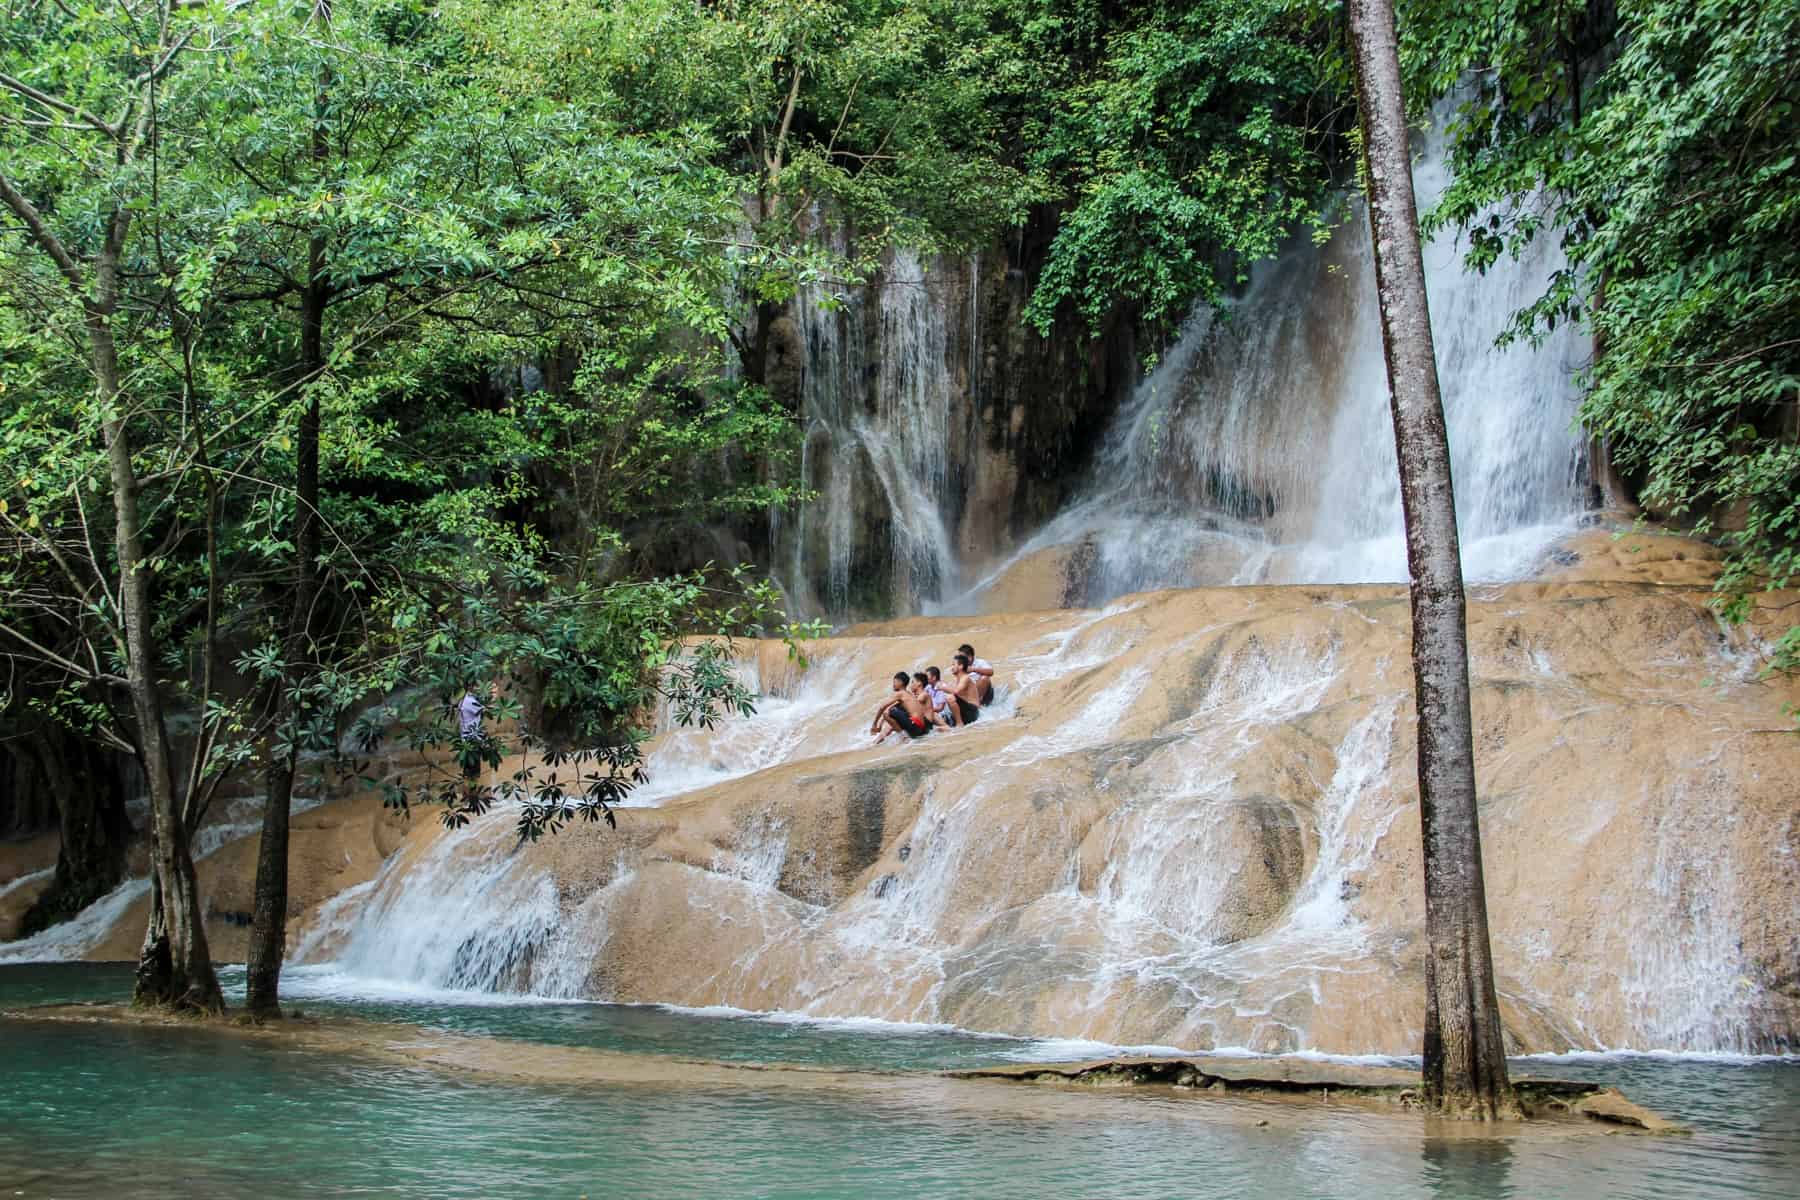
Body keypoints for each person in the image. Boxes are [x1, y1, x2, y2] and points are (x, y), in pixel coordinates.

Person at [870, 670, 933, 744]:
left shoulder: (900, 694)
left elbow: (882, 707)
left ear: (900, 682)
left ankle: (904, 738)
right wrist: (880, 725)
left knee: (887, 713)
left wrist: (874, 724)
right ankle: (879, 740)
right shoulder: (908, 694)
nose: (893, 685)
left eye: (894, 682)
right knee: (892, 713)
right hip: (922, 729)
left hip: (916, 727)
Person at [455, 683, 488, 781]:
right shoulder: (470, 701)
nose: (479, 688)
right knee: (474, 772)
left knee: (469, 770)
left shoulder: (464, 699)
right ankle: (472, 793)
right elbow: (486, 710)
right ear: (470, 687)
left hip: (467, 739)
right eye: (477, 686)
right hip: (472, 740)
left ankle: (469, 792)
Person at [946, 654, 983, 726]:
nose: (951, 668)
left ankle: (959, 724)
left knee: (950, 698)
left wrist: (943, 687)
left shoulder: (965, 678)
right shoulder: (957, 680)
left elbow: (956, 691)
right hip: (967, 712)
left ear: (961, 666)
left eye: (953, 665)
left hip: (973, 712)